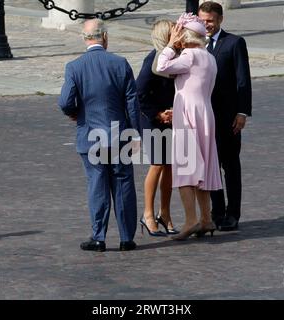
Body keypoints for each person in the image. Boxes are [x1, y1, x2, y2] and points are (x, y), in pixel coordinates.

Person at [58, 19, 141, 252]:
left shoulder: (75, 67)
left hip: (90, 135)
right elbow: (132, 103)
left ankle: (99, 236)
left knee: (97, 185)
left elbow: (65, 102)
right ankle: (126, 237)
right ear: (104, 37)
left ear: (84, 39)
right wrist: (136, 133)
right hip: (119, 134)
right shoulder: (120, 63)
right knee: (123, 183)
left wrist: (76, 113)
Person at [157, 13, 222, 240]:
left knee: (186, 169)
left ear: (185, 37)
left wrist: (169, 45)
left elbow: (162, 67)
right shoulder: (209, 56)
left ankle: (191, 220)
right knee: (202, 169)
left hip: (188, 115)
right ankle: (206, 218)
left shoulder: (189, 55)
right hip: (205, 113)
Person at [199, 2, 252, 231]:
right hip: (205, 116)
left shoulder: (234, 43)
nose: (206, 25)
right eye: (202, 20)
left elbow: (243, 80)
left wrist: (242, 112)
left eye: (209, 20)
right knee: (210, 166)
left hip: (228, 117)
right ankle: (217, 211)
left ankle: (233, 214)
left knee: (230, 166)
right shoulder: (195, 45)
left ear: (220, 19)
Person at [136, 20, 179, 237]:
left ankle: (165, 213)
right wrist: (158, 113)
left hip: (170, 116)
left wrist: (173, 110)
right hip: (152, 119)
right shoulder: (152, 59)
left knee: (170, 166)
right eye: (175, 32)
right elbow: (140, 93)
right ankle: (148, 214)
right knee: (157, 164)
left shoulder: (176, 57)